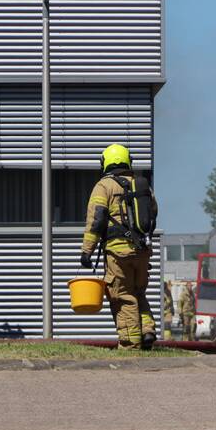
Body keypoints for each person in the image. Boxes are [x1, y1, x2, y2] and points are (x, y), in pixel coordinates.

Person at [80, 143, 158, 350]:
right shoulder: (142, 186)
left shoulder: (103, 186)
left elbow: (95, 221)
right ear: (127, 161)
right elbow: (153, 215)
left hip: (118, 252)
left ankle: (131, 343)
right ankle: (147, 330)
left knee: (122, 296)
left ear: (105, 162)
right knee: (138, 292)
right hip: (142, 251)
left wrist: (87, 250)